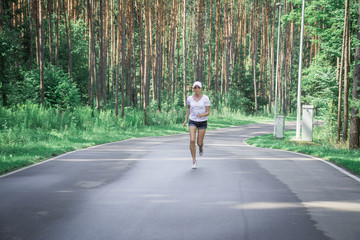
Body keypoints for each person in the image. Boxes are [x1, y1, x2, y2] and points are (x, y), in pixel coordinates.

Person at [183, 81, 211, 169]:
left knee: (199, 142)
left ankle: (201, 147)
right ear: (193, 89)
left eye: (198, 87)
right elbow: (188, 109)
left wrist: (202, 115)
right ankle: (194, 160)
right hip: (193, 121)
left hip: (202, 122)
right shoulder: (189, 98)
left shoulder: (205, 98)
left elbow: (208, 112)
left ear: (201, 89)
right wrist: (185, 120)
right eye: (195, 87)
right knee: (192, 140)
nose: (197, 89)